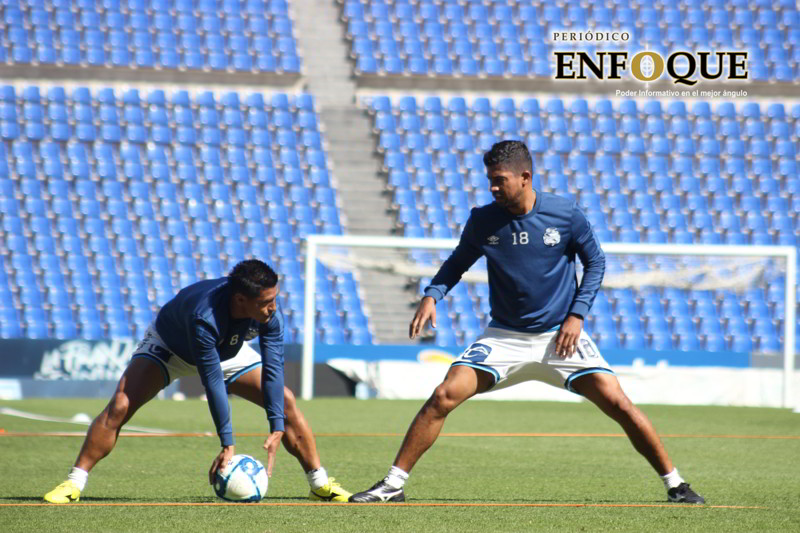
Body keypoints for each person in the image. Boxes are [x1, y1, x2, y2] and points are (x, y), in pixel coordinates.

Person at [349, 140, 704, 504]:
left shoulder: (564, 214)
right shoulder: (483, 220)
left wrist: (576, 315)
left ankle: (675, 484)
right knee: (443, 396)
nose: (492, 187)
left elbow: (596, 262)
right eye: (489, 180)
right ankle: (393, 486)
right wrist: (431, 295)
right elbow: (457, 263)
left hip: (560, 338)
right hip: (504, 337)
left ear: (525, 177)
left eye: (499, 180)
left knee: (619, 404)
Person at [45, 259, 351, 503]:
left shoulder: (269, 314)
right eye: (267, 301)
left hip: (228, 349)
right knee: (120, 406)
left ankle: (320, 484)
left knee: (285, 401)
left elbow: (273, 368)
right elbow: (213, 380)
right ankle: (74, 484)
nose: (273, 307)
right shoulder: (205, 317)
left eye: (275, 299)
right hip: (170, 348)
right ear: (241, 299)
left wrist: (277, 426)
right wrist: (227, 444)